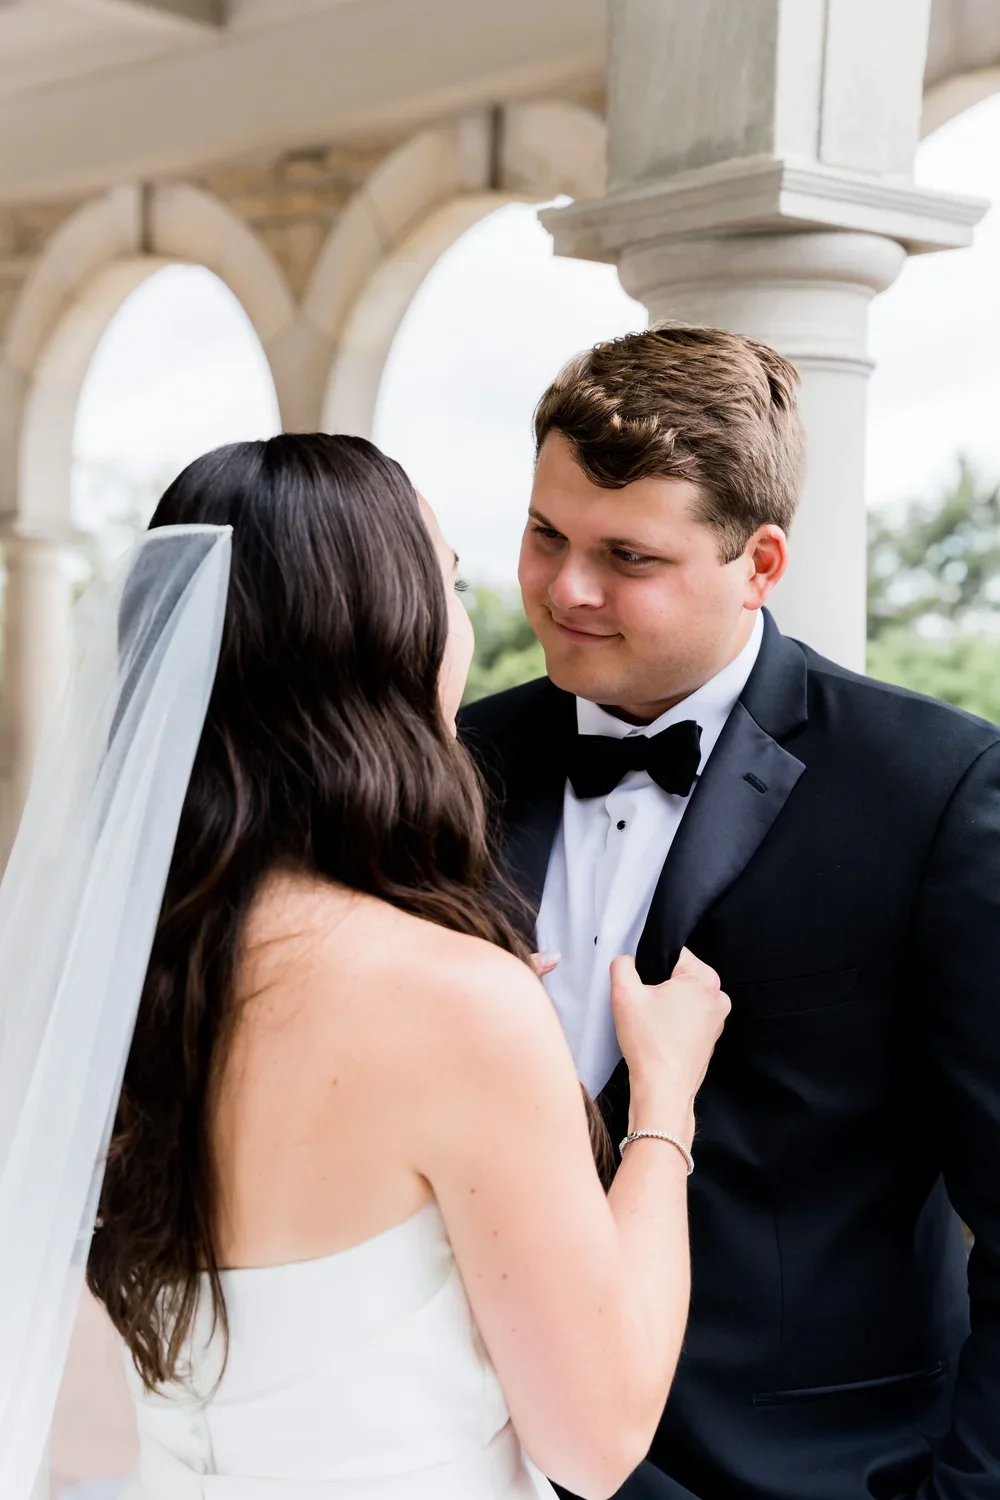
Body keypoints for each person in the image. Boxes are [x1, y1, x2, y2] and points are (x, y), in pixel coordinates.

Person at [17, 433, 728, 1500]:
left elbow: (77, 1416)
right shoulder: (459, 1001)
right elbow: (598, 1439)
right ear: (380, 635)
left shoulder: (96, 972)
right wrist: (661, 1108)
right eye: (442, 586)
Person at [460, 326, 1000, 1500]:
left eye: (628, 557)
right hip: (479, 1451)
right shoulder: (449, 768)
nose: (566, 589)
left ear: (759, 563)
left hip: (800, 1476)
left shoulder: (934, 789)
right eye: (545, 535)